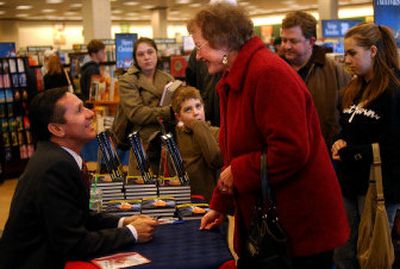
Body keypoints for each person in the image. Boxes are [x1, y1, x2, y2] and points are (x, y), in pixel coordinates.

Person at [189, 3, 349, 268]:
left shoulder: (268, 74)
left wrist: (238, 172)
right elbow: (236, 151)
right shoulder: (238, 76)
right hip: (275, 223)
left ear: (223, 43)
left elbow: (292, 149)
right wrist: (221, 203)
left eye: (199, 46)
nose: (197, 56)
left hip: (299, 226)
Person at [0, 88, 157, 269]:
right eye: (79, 110)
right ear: (57, 129)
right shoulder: (55, 166)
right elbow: (74, 243)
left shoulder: (55, 156)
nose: (90, 114)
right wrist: (131, 233)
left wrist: (122, 222)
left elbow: (76, 215)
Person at [331, 23, 400, 269]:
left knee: (372, 255)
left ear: (372, 51)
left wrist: (353, 152)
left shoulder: (393, 91)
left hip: (378, 187)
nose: (345, 58)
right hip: (349, 183)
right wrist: (340, 142)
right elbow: (347, 129)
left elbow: (393, 145)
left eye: (352, 53)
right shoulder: (355, 88)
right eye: (345, 52)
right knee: (344, 252)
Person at [281, 11, 351, 148]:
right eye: (284, 40)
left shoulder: (335, 71)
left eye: (293, 41)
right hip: (287, 154)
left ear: (311, 41)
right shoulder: (275, 70)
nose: (286, 46)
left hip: (326, 152)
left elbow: (348, 112)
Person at [114, 37, 174, 175]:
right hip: (142, 144)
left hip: (166, 142)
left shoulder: (167, 78)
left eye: (150, 52)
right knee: (143, 189)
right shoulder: (127, 80)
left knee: (168, 189)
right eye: (141, 54)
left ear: (156, 54)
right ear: (135, 58)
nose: (146, 57)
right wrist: (168, 112)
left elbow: (176, 107)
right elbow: (136, 113)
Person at [171, 85, 222, 201]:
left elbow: (215, 160)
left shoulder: (216, 133)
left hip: (211, 204)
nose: (196, 113)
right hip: (185, 202)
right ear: (178, 116)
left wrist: (197, 125)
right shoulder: (176, 137)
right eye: (188, 109)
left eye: (198, 106)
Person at [186, 48, 222, 126]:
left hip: (224, 113)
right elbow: (191, 87)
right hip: (204, 112)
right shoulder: (196, 53)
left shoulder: (228, 51)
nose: (198, 56)